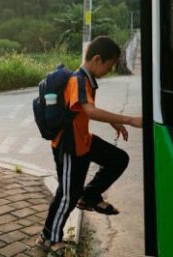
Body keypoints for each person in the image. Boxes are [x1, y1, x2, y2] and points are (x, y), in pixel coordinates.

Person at [38, 36, 143, 252]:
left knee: (118, 158)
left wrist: (114, 121)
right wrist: (130, 120)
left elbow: (87, 108)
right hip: (69, 146)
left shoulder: (86, 79)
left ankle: (90, 196)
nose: (110, 70)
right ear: (97, 59)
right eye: (109, 65)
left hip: (83, 141)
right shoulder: (78, 80)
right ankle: (48, 238)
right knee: (68, 194)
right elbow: (90, 111)